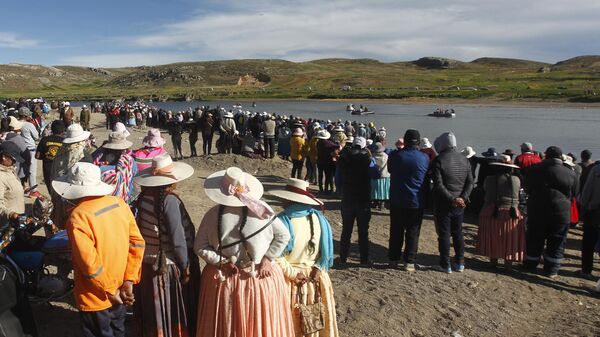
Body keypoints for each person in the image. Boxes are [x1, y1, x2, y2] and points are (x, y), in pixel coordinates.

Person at [194, 167, 293, 337]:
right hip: (260, 278)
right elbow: (284, 236)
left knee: (227, 326)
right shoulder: (263, 211)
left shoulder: (213, 215)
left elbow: (200, 246)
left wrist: (222, 262)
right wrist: (268, 259)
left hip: (225, 279)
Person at [52, 162, 145, 337]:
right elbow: (137, 243)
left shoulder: (78, 216)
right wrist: (128, 280)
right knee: (119, 330)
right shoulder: (119, 204)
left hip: (95, 295)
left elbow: (90, 265)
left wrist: (110, 291)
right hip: (120, 287)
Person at [133, 154, 201, 337]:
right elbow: (177, 240)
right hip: (168, 266)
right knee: (172, 307)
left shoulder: (144, 197)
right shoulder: (169, 201)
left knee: (153, 309)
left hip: (148, 263)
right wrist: (185, 267)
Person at [270, 178, 339, 337]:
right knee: (314, 323)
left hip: (290, 282)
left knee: (291, 325)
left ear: (288, 199)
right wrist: (318, 268)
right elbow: (324, 253)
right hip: (315, 279)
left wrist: (293, 273)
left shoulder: (281, 221)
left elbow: (275, 256)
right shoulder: (319, 219)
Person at [523, 146, 578, 277]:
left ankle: (530, 265)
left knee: (534, 238)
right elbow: (575, 193)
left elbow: (527, 188)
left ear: (546, 155)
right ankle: (552, 269)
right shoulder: (571, 172)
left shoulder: (534, 170)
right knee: (558, 240)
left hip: (537, 209)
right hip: (561, 211)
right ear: (560, 157)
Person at [387, 130, 429, 271]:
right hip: (416, 200)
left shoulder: (395, 155)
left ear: (405, 140)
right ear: (418, 141)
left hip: (397, 198)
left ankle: (393, 259)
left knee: (396, 230)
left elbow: (391, 170)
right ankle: (409, 261)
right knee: (413, 231)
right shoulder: (424, 157)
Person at [432, 132, 474, 273]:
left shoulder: (439, 160)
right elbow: (470, 182)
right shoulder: (464, 160)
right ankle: (460, 262)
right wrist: (462, 197)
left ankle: (445, 264)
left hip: (444, 203)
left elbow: (438, 185)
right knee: (458, 233)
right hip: (460, 204)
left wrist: (452, 199)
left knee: (444, 234)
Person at [476, 155, 525, 268]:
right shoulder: (516, 180)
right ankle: (508, 264)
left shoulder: (489, 179)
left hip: (491, 210)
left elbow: (486, 191)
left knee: (493, 236)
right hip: (512, 212)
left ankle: (493, 261)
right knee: (510, 239)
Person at [337, 137, 372, 265]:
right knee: (363, 231)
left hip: (348, 198)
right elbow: (376, 174)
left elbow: (339, 178)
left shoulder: (344, 159)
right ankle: (364, 259)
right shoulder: (367, 159)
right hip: (363, 198)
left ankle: (343, 257)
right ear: (363, 146)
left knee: (346, 230)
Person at [92, 131, 137, 204]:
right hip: (125, 200)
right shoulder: (130, 160)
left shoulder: (99, 169)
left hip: (104, 203)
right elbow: (134, 174)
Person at [576, 159, 600, 279]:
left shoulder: (596, 170)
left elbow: (586, 192)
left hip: (594, 211)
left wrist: (583, 207)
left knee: (588, 243)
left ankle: (586, 270)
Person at [17, 107, 40, 198]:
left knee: (20, 169)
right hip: (30, 149)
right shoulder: (29, 125)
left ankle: (22, 187)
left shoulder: (16, 123)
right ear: (26, 115)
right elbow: (36, 137)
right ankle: (33, 191)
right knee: (32, 170)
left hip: (19, 149)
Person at [0, 141, 25, 224]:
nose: (15, 162)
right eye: (13, 159)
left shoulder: (9, 169)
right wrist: (10, 214)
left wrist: (21, 189)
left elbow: (9, 189)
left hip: (18, 218)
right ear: (4, 157)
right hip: (6, 223)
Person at [35, 120, 65, 189]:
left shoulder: (44, 140)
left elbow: (37, 156)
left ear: (51, 129)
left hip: (47, 170)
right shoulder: (65, 142)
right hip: (61, 171)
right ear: (63, 131)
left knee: (50, 190)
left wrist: (47, 156)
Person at [316, 130, 338, 194]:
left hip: (320, 161)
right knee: (328, 176)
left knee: (320, 175)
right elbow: (337, 146)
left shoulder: (318, 143)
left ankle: (321, 189)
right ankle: (327, 189)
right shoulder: (329, 144)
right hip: (327, 161)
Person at [371, 142, 390, 210]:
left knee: (375, 190)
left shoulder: (372, 156)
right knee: (383, 190)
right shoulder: (386, 156)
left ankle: (375, 202)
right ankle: (382, 204)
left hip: (375, 175)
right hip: (385, 175)